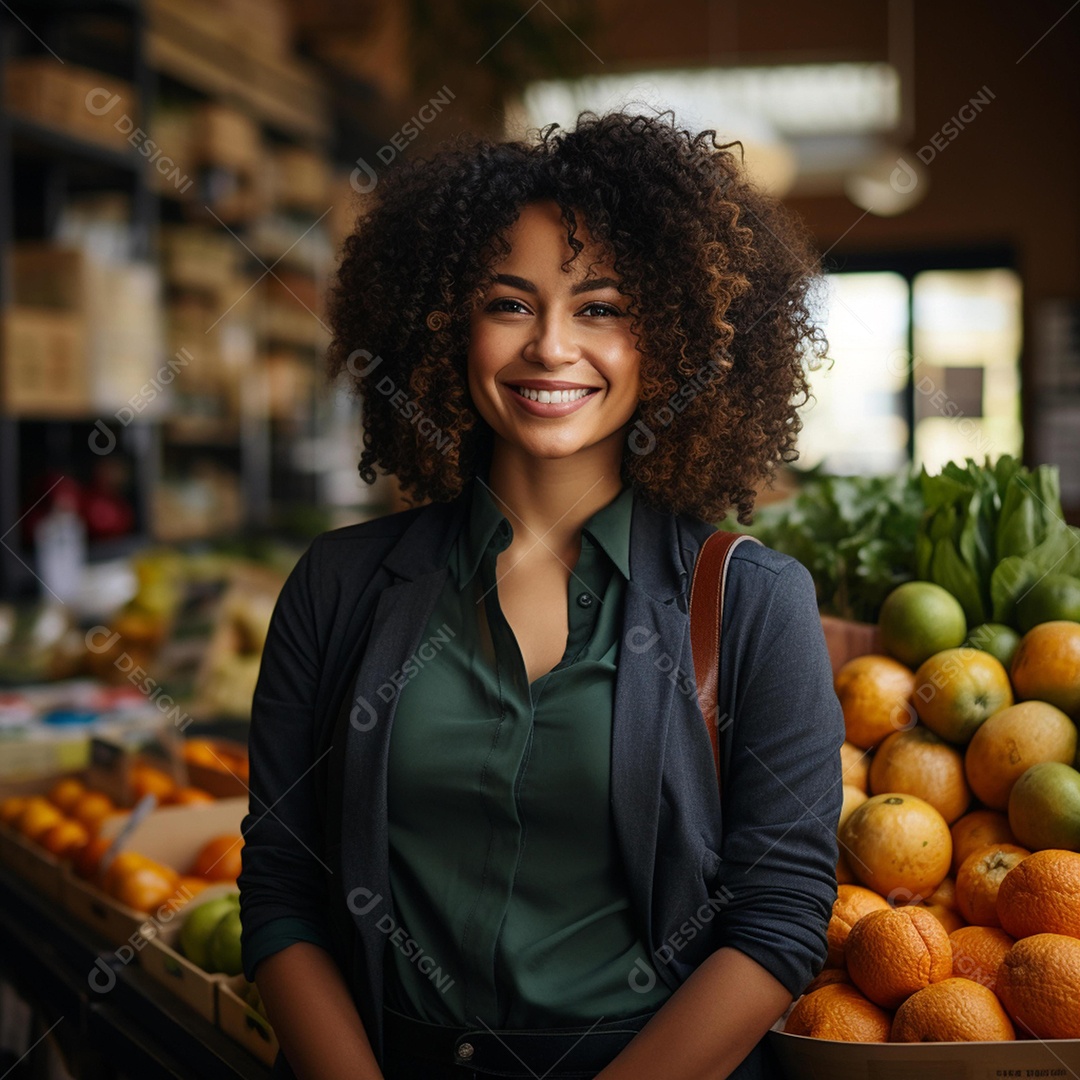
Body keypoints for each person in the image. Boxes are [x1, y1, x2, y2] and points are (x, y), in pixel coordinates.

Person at [238, 110, 845, 1080]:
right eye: (509, 304)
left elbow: (775, 923)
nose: (551, 347)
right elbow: (281, 891)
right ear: (439, 325)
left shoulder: (753, 603)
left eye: (601, 307)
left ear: (677, 338)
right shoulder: (339, 587)